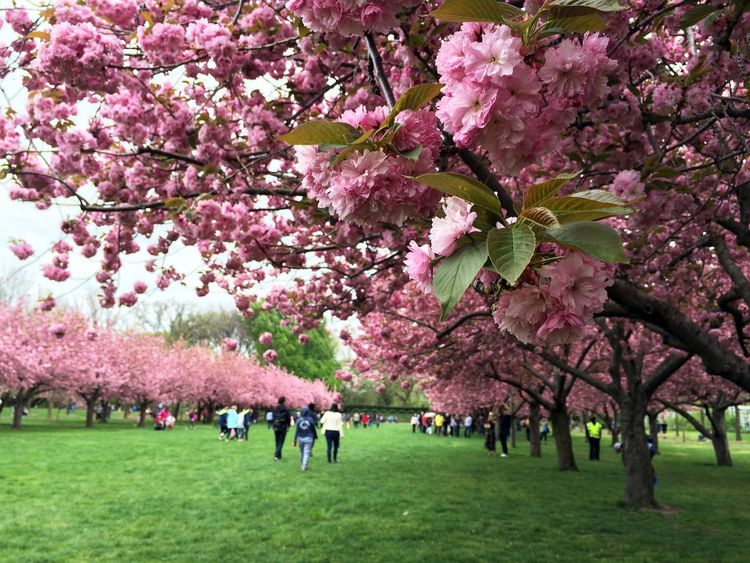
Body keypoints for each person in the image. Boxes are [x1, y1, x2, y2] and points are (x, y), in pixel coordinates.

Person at [293, 406, 318, 471]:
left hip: (300, 438)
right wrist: (315, 436)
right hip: (309, 438)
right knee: (306, 452)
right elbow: (313, 429)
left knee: (301, 452)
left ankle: (302, 464)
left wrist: (295, 439)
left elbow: (297, 431)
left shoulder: (299, 420)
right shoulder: (310, 420)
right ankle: (304, 466)